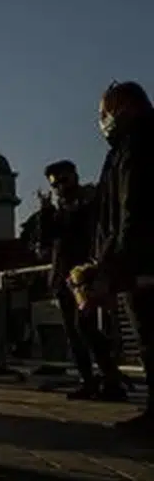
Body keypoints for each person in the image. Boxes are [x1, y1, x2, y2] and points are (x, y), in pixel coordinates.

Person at [82, 81, 154, 433]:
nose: (102, 121)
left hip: (144, 259)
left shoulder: (137, 144)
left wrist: (120, 262)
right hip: (136, 257)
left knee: (150, 332)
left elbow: (132, 208)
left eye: (104, 113)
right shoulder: (126, 147)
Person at [38, 160, 125, 401]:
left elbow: (90, 232)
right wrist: (46, 211)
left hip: (85, 275)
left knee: (86, 327)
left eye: (63, 181)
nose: (60, 188)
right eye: (55, 185)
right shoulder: (60, 209)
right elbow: (48, 239)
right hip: (64, 277)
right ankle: (89, 381)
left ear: (74, 177)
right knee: (75, 333)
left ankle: (111, 379)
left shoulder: (89, 203)